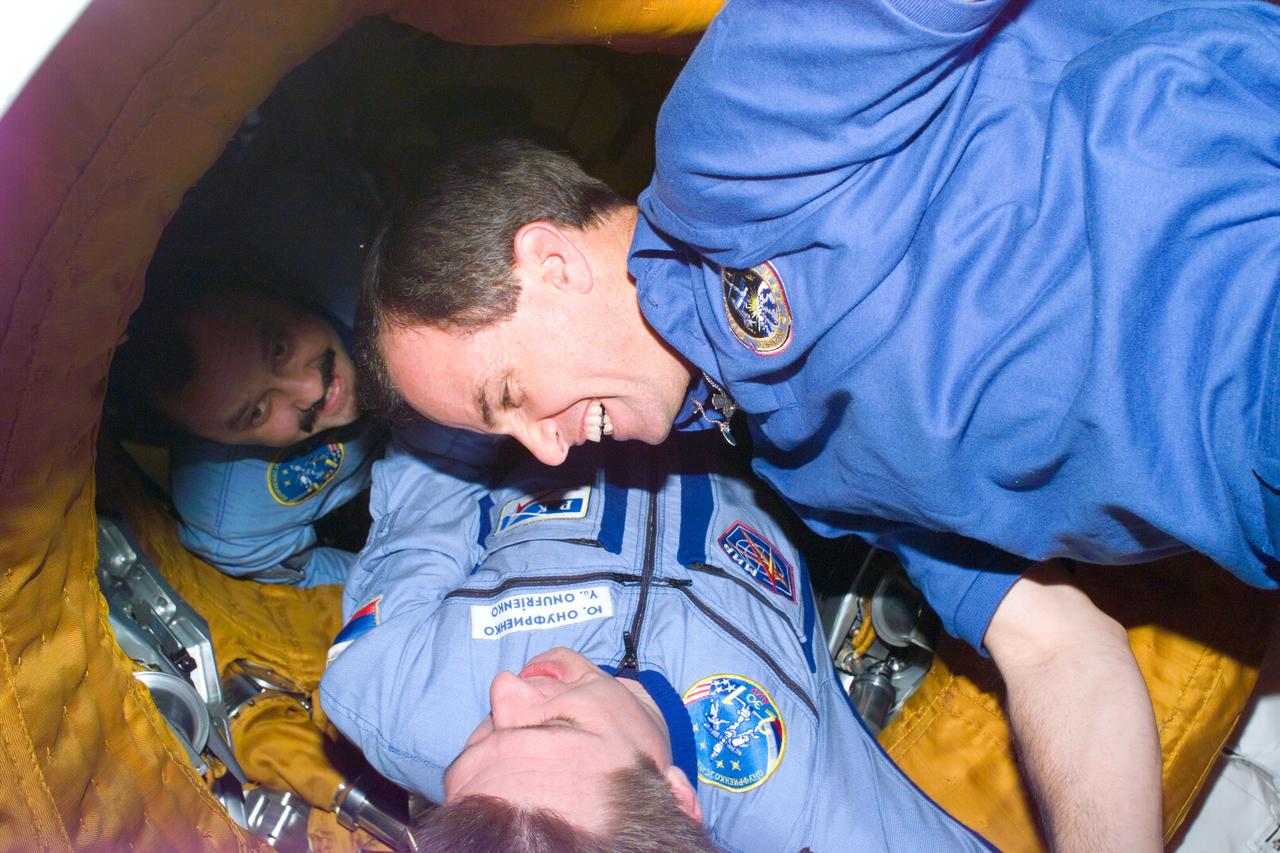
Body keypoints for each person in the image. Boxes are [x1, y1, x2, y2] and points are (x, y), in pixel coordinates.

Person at [354, 0, 1280, 847]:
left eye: (510, 397)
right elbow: (1057, 649)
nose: (548, 449)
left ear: (551, 263)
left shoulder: (732, 131)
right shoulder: (803, 466)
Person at [320, 425, 991, 851]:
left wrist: (498, 382)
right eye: (555, 724)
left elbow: (426, 475)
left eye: (474, 745)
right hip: (760, 414)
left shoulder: (387, 689)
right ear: (676, 797)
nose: (504, 689)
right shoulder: (803, 810)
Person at [109, 279, 385, 586]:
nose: (311, 390)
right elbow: (315, 570)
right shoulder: (231, 521)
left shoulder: (374, 284)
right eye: (256, 412)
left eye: (279, 350)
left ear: (278, 293)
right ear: (213, 443)